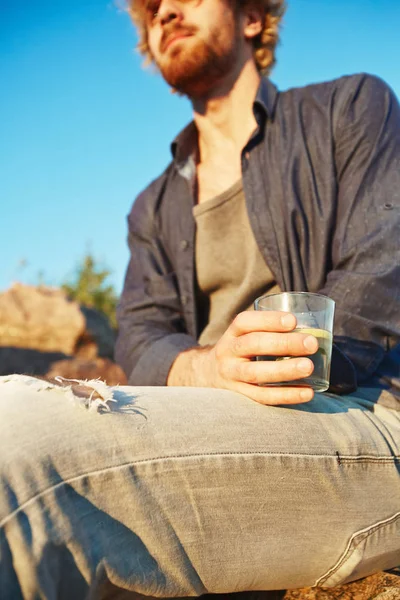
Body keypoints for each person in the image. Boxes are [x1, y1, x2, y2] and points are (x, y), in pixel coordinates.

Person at [1, 0, 399, 598]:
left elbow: (383, 265)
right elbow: (138, 331)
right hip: (215, 424)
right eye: (150, 10)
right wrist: (207, 367)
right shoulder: (152, 208)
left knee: (21, 444)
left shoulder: (349, 108)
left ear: (253, 18)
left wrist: (282, 361)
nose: (162, 11)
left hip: (364, 415)